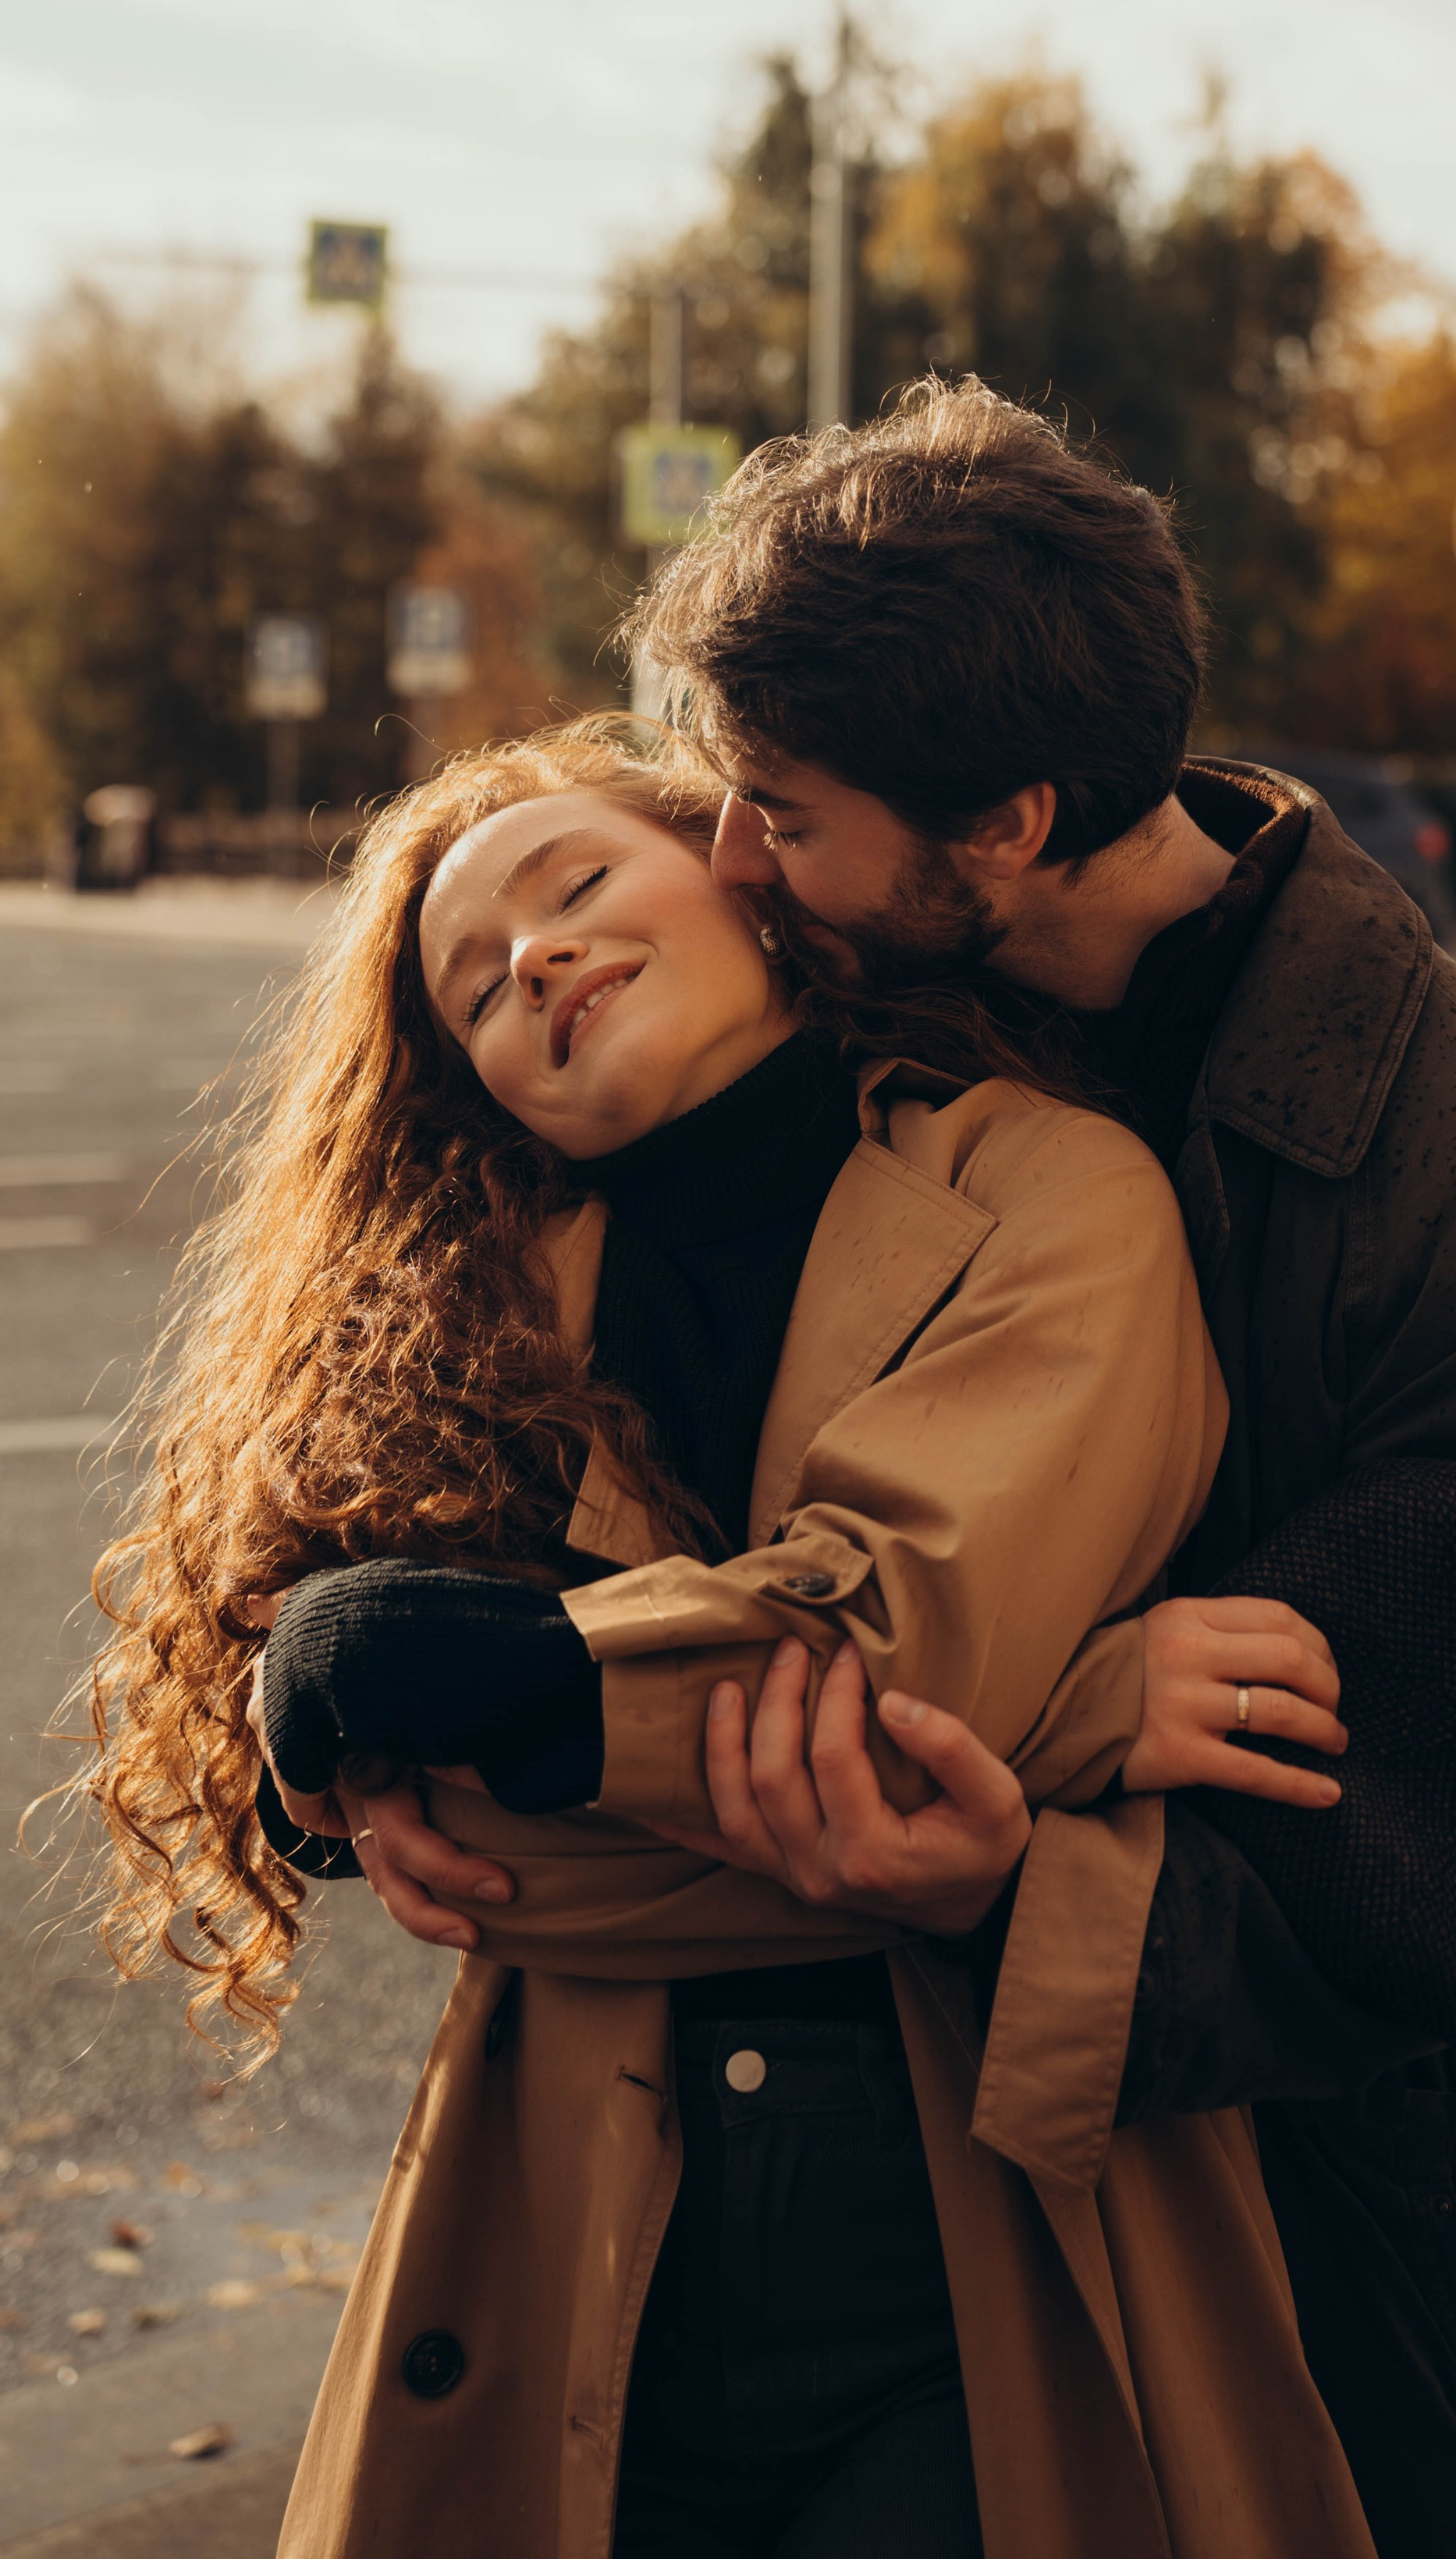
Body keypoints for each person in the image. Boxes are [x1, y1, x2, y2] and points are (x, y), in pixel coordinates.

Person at [546, 379, 1456, 2559]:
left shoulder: (1449, 1170)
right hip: (940, 2205)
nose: (726, 859)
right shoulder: (860, 996)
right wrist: (373, 1754)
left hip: (1356, 2225)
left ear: (1002, 823)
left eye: (778, 813)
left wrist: (1027, 1876)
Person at [80, 723, 1376, 2559]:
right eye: (473, 984)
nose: (531, 954)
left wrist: (494, 1695)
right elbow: (548, 1838)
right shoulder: (460, 1339)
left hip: (961, 2219)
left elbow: (890, 1667)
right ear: (482, 1094)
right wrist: (1077, 1719)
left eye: (577, 880)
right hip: (582, 2225)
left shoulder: (1052, 1192)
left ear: (744, 878)